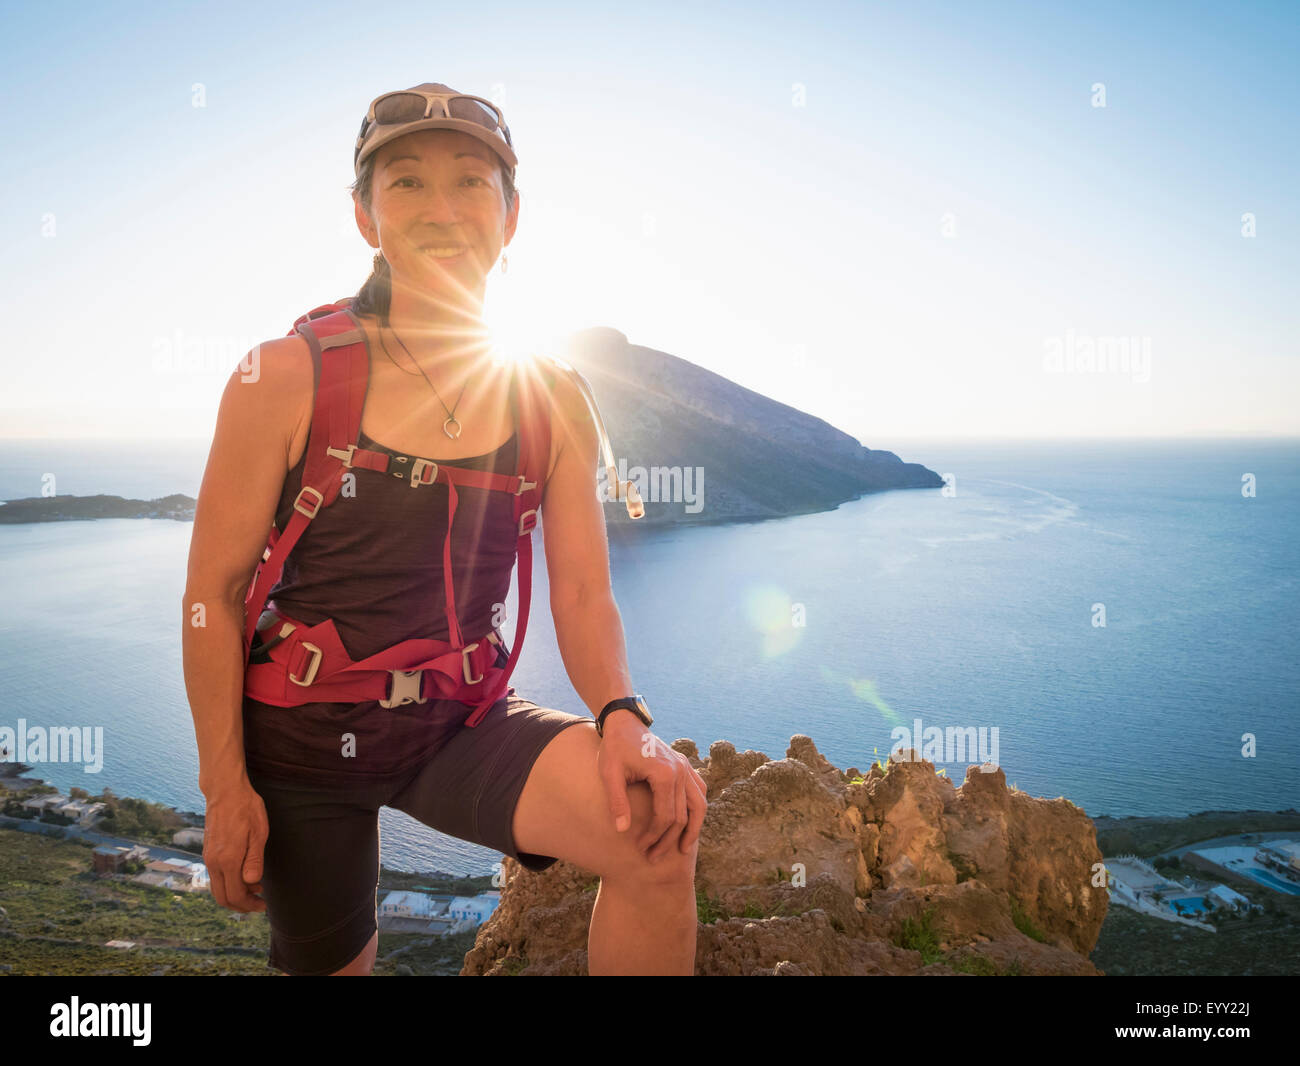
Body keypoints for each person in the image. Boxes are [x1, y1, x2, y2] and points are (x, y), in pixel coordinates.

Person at [182, 82, 706, 976]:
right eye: (407, 183)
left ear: (510, 216)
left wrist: (622, 713)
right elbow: (213, 597)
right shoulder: (280, 378)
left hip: (459, 722)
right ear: (364, 213)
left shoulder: (553, 399)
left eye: (471, 182)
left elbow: (582, 592)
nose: (442, 209)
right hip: (304, 739)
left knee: (655, 831)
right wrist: (224, 789)